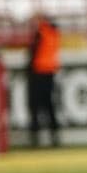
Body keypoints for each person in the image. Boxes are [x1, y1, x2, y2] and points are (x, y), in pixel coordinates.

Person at [27, 14, 61, 147]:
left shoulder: (41, 33)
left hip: (38, 73)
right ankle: (54, 136)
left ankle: (35, 138)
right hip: (49, 73)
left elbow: (33, 53)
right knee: (49, 107)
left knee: (35, 107)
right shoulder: (53, 32)